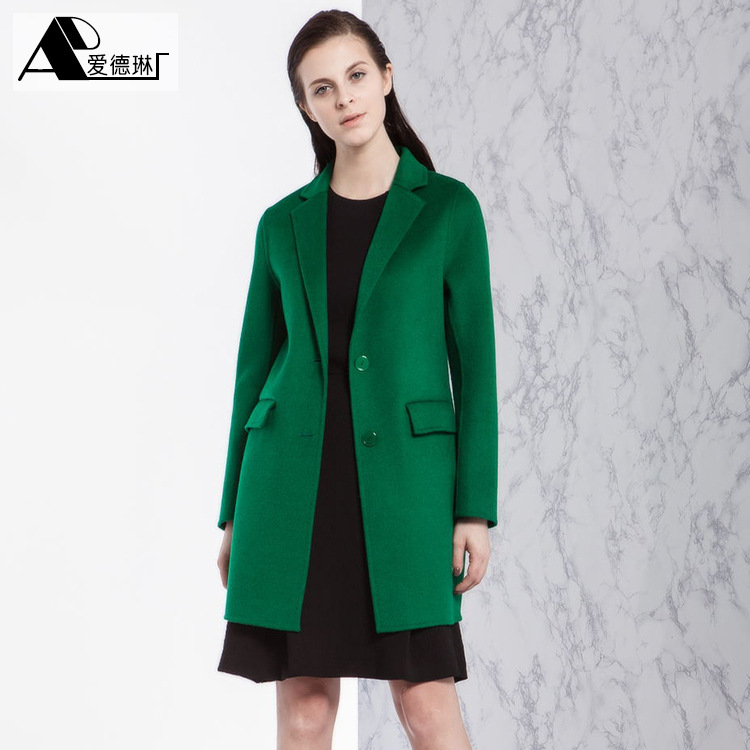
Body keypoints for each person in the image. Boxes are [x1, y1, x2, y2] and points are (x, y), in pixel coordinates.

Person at [216, 9, 498, 750]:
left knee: (427, 708)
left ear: (386, 77)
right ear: (305, 107)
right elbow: (252, 370)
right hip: (290, 492)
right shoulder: (282, 224)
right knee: (306, 711)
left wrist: (474, 510)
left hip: (407, 491)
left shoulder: (448, 210)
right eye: (322, 88)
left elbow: (476, 370)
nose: (344, 97)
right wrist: (232, 513)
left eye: (356, 75)